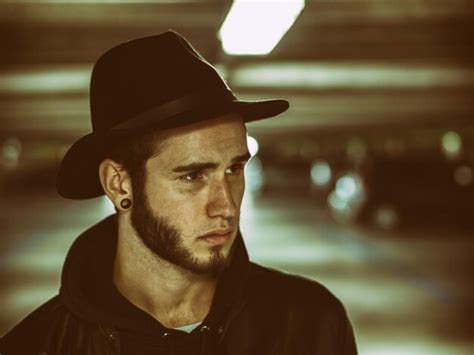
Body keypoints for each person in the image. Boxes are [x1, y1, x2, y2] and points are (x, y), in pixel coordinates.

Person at [0, 30, 357, 355]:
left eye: (233, 169)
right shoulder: (38, 345)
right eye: (192, 176)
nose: (227, 206)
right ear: (118, 184)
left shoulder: (312, 325)